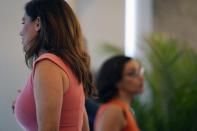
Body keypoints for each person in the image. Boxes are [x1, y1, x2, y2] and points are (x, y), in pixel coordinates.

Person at [14, 0, 95, 131]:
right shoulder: (70, 64)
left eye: (24, 22)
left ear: (38, 23)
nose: (21, 32)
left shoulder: (47, 65)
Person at [94, 55, 144, 131]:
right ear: (116, 81)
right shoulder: (114, 110)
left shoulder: (122, 109)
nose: (141, 78)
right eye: (132, 74)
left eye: (140, 72)